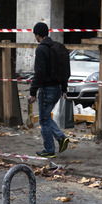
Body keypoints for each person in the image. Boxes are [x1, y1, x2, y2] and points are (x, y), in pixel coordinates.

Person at [29, 21, 70, 158]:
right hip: (58, 88)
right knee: (46, 117)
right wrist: (64, 88)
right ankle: (60, 138)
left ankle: (49, 149)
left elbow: (39, 72)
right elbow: (64, 69)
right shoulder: (57, 47)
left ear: (38, 34)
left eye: (35, 34)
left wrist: (32, 92)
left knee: (43, 120)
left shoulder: (41, 49)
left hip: (47, 90)